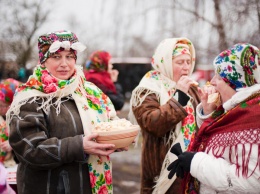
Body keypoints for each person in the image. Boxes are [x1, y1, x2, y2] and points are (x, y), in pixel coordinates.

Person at [6, 30, 120, 194]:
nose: (64, 63)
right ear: (43, 60)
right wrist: (79, 145)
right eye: (56, 57)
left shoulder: (87, 92)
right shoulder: (30, 98)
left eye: (69, 56)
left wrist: (117, 140)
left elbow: (107, 126)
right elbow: (31, 150)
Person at [167, 43, 260, 193]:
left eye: (219, 76)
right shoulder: (239, 108)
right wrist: (208, 111)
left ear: (234, 82)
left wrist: (195, 162)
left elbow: (250, 181)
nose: (213, 82)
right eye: (180, 62)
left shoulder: (254, 118)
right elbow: (223, 141)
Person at [128, 38, 201, 194]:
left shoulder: (192, 88)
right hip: (163, 175)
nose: (186, 67)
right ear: (166, 62)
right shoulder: (147, 90)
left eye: (188, 62)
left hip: (193, 169)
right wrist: (179, 96)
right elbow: (152, 124)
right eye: (180, 62)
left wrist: (207, 108)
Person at [0, 78, 20, 168]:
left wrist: (12, 144)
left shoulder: (20, 117)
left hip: (13, 164)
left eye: (2, 105)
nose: (0, 108)